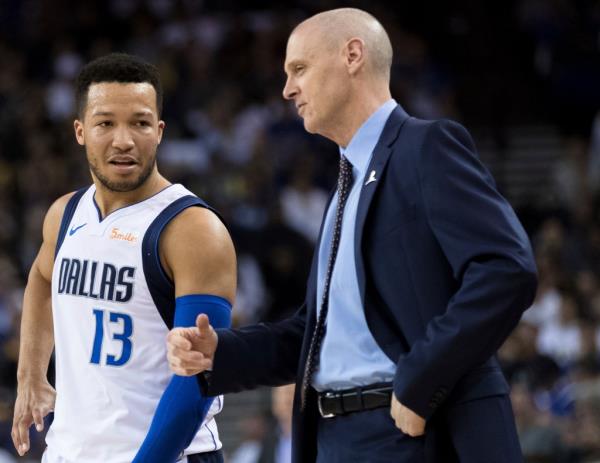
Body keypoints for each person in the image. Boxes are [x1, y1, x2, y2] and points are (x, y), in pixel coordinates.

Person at [167, 8, 537, 463]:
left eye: (299, 69)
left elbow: (505, 269)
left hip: (413, 428)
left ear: (353, 55)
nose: (287, 89)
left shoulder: (427, 147)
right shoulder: (343, 185)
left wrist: (422, 380)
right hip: (332, 439)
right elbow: (314, 333)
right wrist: (221, 353)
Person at [11, 53, 236, 463]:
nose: (123, 140)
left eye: (140, 122)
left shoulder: (192, 229)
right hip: (69, 452)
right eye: (105, 123)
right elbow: (42, 280)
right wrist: (30, 374)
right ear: (80, 131)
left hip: (168, 455)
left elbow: (200, 379)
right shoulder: (64, 214)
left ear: (160, 131)